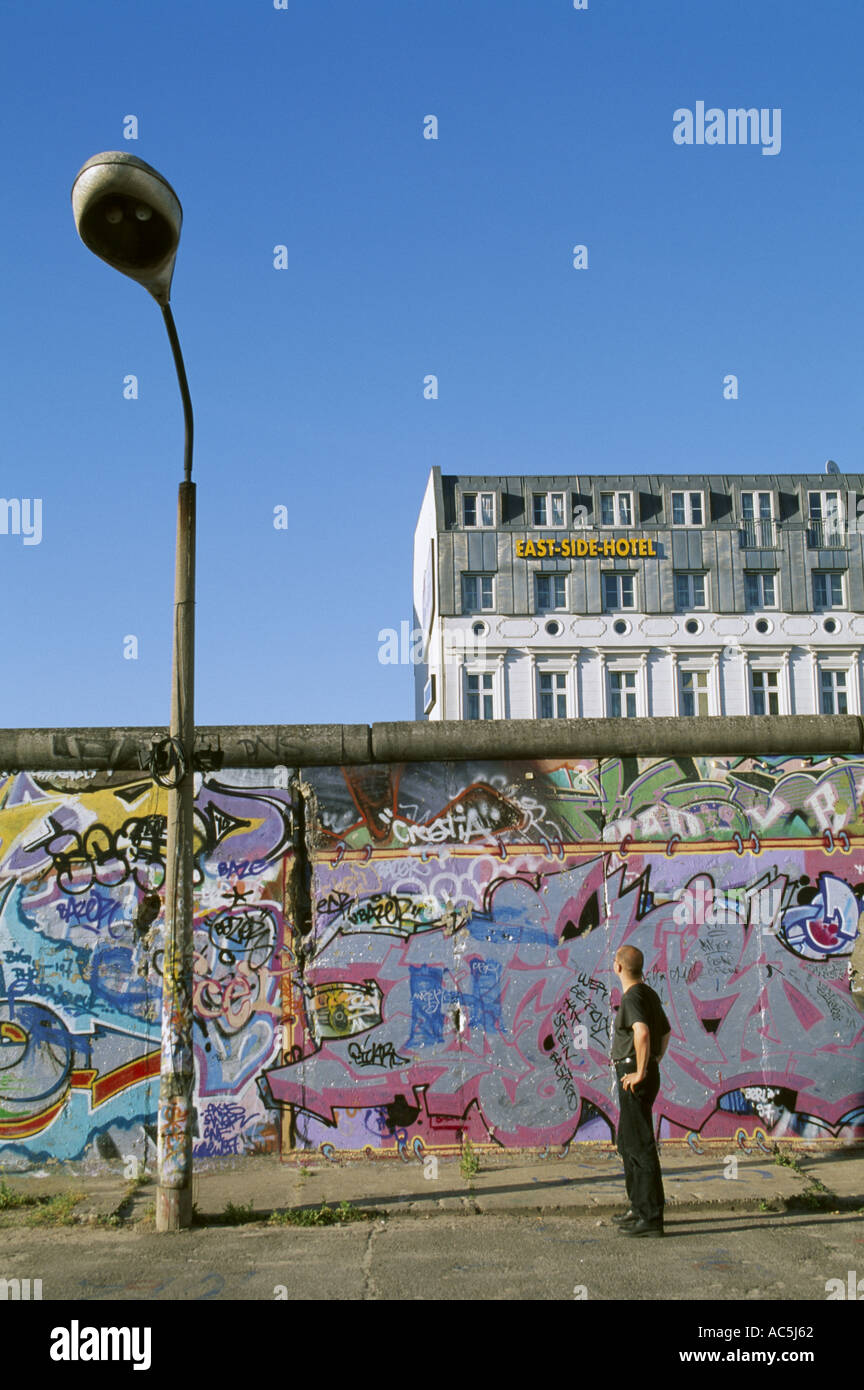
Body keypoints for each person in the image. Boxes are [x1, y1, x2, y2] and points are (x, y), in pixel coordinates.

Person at [610, 944, 671, 1237]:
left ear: (618, 967)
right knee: (628, 1143)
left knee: (641, 1145)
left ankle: (650, 1218)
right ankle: (638, 1206)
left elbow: (643, 1032)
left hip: (633, 1075)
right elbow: (666, 1031)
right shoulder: (648, 993)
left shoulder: (633, 996)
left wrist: (641, 1071)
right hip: (640, 1072)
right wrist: (655, 1060)